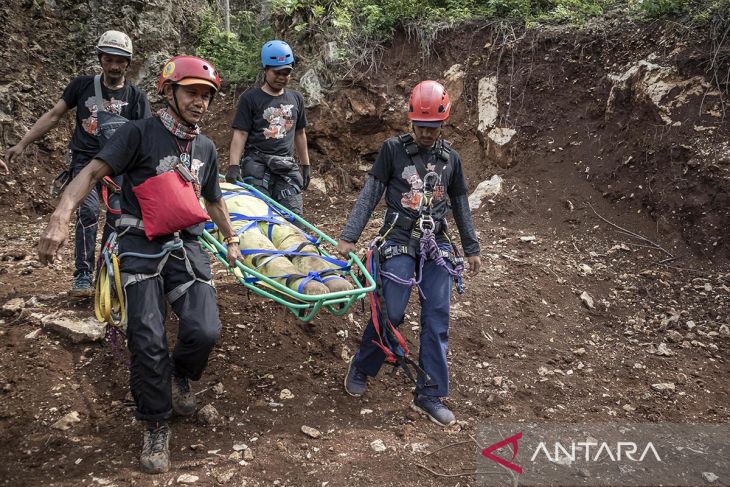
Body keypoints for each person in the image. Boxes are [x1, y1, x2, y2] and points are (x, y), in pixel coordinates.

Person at [38, 55, 242, 474]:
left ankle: (179, 374)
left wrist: (232, 238)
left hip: (186, 245)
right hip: (138, 245)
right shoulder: (138, 132)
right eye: (191, 93)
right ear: (169, 92)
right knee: (147, 338)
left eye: (206, 95)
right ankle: (155, 422)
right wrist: (60, 215)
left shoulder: (204, 147)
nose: (200, 102)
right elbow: (93, 171)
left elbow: (214, 200)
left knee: (205, 329)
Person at [337, 80, 482, 427]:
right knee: (392, 310)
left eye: (432, 127)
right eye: (420, 126)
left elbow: (460, 204)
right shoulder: (392, 150)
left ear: (442, 124)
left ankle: (429, 395)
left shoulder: (452, 160)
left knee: (437, 317)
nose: (426, 133)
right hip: (398, 236)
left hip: (437, 242)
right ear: (410, 121)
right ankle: (363, 364)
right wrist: (349, 236)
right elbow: (371, 194)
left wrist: (472, 246)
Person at [5, 30, 151, 296]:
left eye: (120, 61)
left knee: (117, 217)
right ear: (101, 59)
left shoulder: (137, 98)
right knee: (87, 212)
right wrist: (23, 142)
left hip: (119, 167)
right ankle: (82, 275)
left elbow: (145, 137)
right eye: (109, 59)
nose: (114, 66)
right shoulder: (82, 86)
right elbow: (53, 115)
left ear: (128, 63)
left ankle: (106, 272)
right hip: (84, 162)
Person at [226, 39, 311, 222]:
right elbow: (240, 133)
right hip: (257, 164)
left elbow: (299, 133)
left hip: (286, 167)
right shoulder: (250, 99)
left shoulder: (296, 98)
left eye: (286, 73)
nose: (282, 77)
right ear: (265, 70)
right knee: (260, 216)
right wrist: (233, 165)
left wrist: (305, 165)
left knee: (293, 218)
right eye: (277, 73)